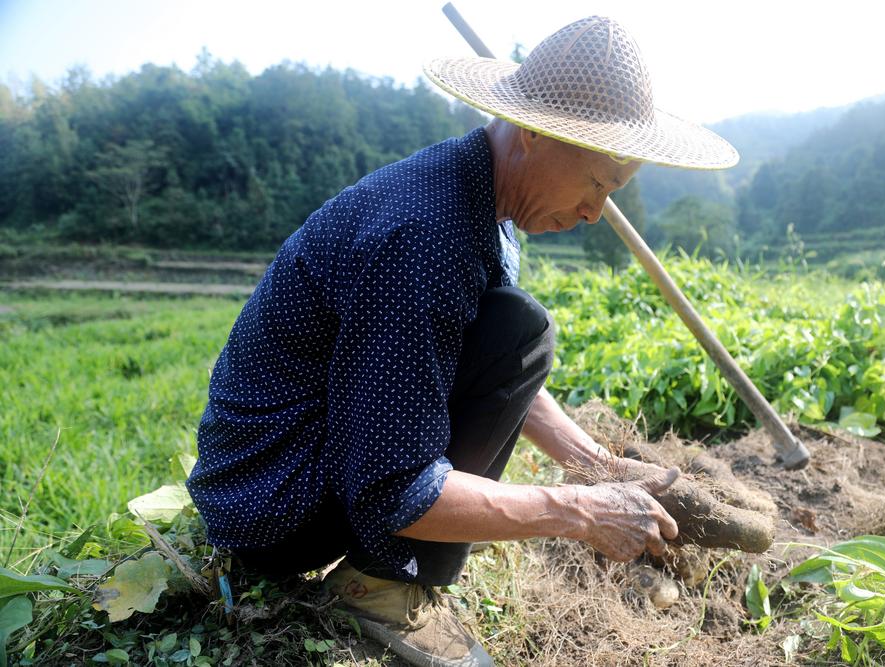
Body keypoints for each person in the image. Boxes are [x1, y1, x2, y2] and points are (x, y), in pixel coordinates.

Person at [186, 14, 738, 667]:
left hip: (293, 468)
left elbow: (486, 364)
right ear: (535, 134)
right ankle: (382, 585)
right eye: (596, 184)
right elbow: (393, 488)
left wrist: (601, 465)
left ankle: (389, 567)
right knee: (522, 331)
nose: (594, 213)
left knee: (515, 333)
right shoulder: (425, 237)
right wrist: (578, 510)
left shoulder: (480, 201)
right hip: (270, 502)